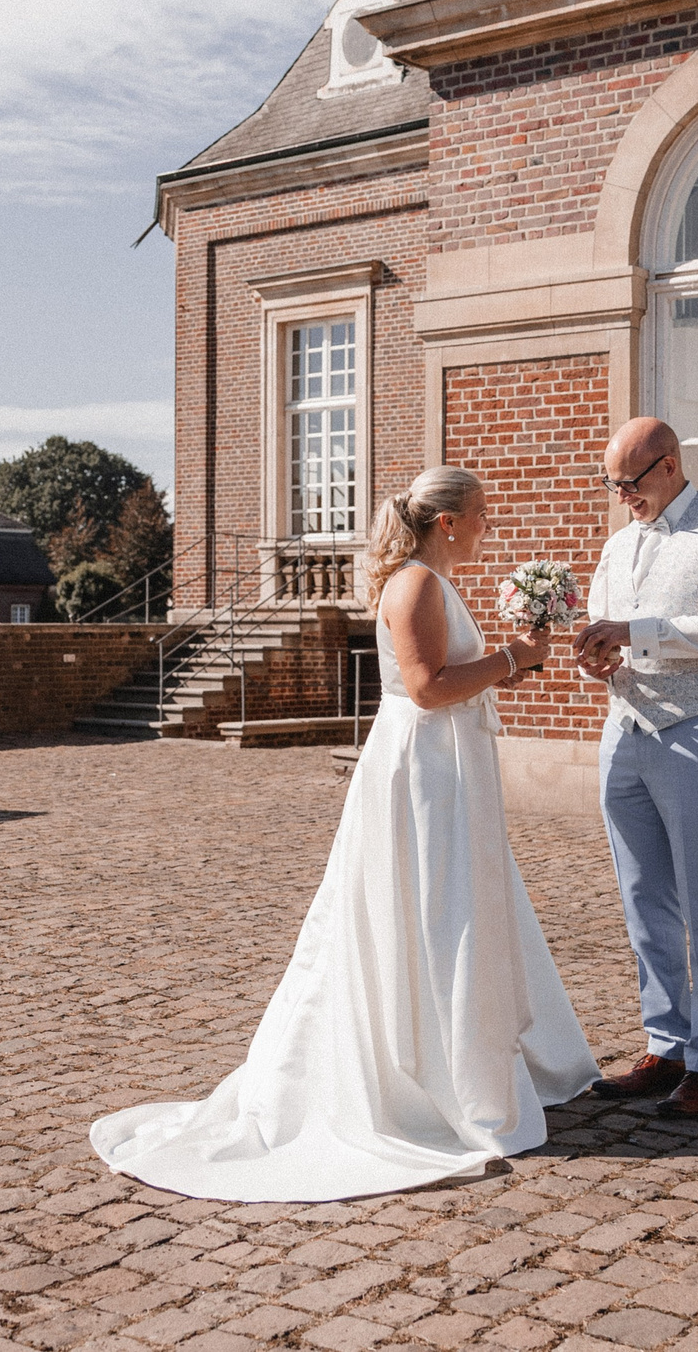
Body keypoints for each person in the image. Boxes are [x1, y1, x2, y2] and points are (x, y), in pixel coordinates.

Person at [89, 465, 600, 1201]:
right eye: (482, 513)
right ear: (447, 521)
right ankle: (429, 1076)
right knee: (433, 907)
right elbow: (426, 687)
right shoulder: (418, 583)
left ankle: (461, 1059)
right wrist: (513, 658)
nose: (490, 524)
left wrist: (505, 663)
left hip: (445, 764)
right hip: (425, 771)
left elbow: (451, 674)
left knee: (455, 903)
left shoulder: (430, 579)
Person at [572, 418, 698, 1118]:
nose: (623, 496)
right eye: (613, 484)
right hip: (624, 733)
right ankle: (667, 1043)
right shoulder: (618, 544)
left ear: (670, 464)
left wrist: (635, 632)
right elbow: (605, 622)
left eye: (631, 481)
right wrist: (600, 651)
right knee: (643, 898)